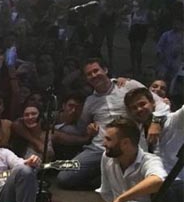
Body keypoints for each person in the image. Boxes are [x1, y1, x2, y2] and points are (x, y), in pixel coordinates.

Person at [57, 58, 168, 190]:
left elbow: (160, 103)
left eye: (96, 71)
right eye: (89, 74)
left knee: (143, 183)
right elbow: (80, 129)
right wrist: (61, 129)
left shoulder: (128, 85)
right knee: (64, 178)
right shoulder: (90, 101)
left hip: (129, 146)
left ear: (105, 70)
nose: (94, 75)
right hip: (100, 148)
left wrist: (156, 122)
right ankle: (106, 180)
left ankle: (112, 180)